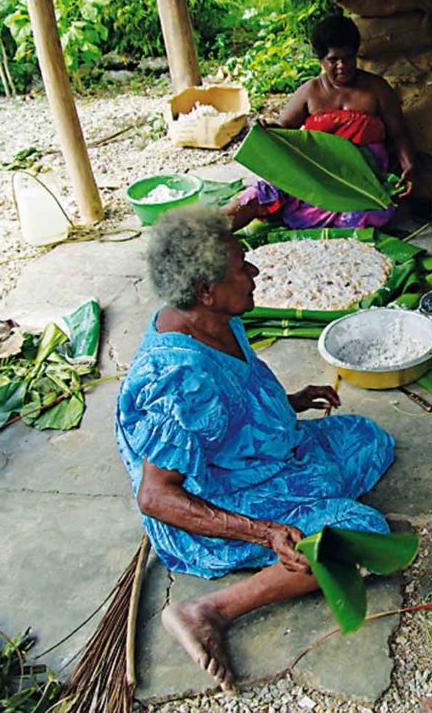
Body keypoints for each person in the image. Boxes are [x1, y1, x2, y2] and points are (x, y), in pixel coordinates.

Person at [115, 205, 395, 691]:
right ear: (205, 291)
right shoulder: (177, 377)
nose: (254, 273)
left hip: (255, 458)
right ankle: (208, 611)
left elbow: (232, 401)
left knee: (367, 438)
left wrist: (290, 405)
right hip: (218, 497)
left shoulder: (214, 315)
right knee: (357, 530)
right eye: (242, 268)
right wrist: (264, 533)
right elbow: (156, 496)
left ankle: (303, 511)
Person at [228, 15, 417, 231]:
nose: (342, 66)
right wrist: (266, 128)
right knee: (256, 196)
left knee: (370, 214)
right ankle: (207, 233)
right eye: (333, 59)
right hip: (315, 175)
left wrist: (408, 166)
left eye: (348, 58)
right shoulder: (310, 92)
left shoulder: (377, 89)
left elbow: (398, 133)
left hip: (357, 182)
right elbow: (283, 131)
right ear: (320, 59)